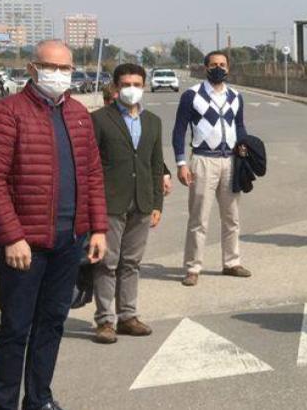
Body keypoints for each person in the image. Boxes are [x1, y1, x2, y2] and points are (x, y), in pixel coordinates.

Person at [0, 39, 108, 410]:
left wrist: (97, 228)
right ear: (33, 69)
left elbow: (93, 176)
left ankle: (39, 399)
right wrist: (12, 236)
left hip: (68, 241)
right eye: (52, 67)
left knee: (52, 324)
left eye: (67, 68)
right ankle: (3, 403)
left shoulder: (79, 115)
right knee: (16, 328)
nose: (60, 75)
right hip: (23, 245)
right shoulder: (8, 113)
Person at [90, 63, 172, 344]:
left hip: (142, 202)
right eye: (126, 84)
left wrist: (156, 203)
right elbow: (92, 167)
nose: (132, 89)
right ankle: (104, 321)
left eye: (137, 84)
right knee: (107, 263)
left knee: (131, 262)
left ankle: (128, 316)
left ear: (144, 86)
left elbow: (155, 165)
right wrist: (93, 206)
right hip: (110, 203)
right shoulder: (100, 119)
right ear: (115, 87)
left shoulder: (153, 122)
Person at [172, 50, 252, 286]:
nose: (219, 68)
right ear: (206, 68)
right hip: (203, 160)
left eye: (223, 64)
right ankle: (193, 267)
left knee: (232, 217)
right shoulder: (192, 95)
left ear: (228, 68)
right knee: (198, 219)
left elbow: (240, 126)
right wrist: (180, 162)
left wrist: (246, 149)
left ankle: (231, 262)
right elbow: (179, 130)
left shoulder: (236, 96)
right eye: (214, 64)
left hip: (230, 161)